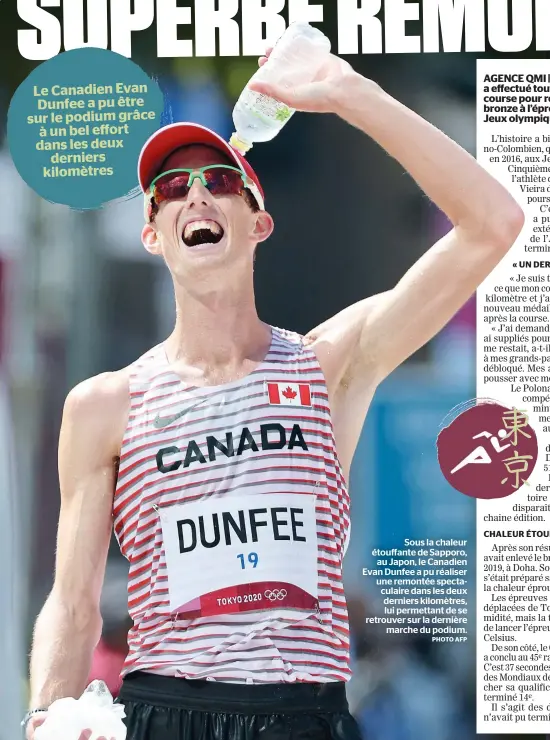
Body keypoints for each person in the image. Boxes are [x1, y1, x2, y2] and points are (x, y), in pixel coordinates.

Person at [24, 47, 523, 740]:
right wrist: (48, 714)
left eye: (220, 180)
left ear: (258, 223)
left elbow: (493, 224)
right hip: (166, 713)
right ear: (153, 235)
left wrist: (352, 93)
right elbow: (73, 602)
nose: (195, 194)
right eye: (171, 190)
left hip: (303, 714)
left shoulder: (326, 365)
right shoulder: (104, 404)